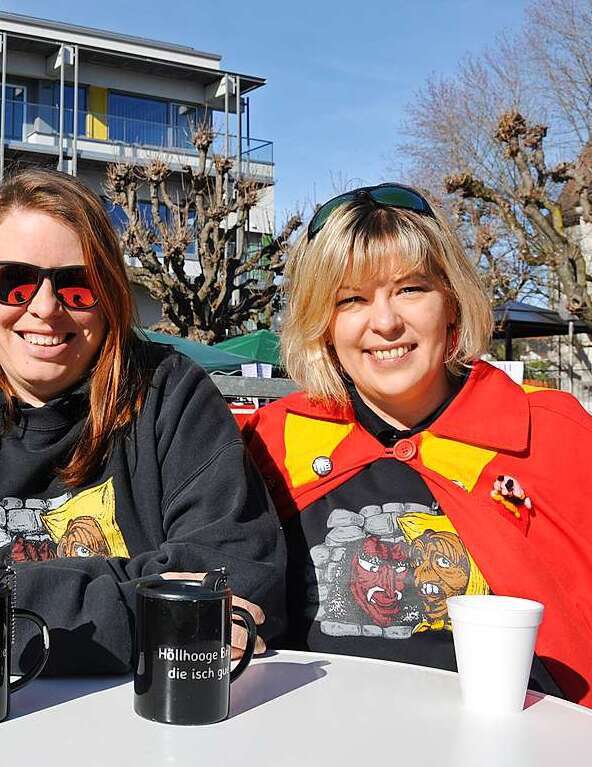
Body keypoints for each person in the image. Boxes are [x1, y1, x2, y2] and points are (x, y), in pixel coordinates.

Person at [0, 168, 285, 675]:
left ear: (108, 294)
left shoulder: (172, 396)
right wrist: (154, 612)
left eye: (77, 285)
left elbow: (242, 578)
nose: (45, 308)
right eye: (14, 281)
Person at [243, 183, 592, 707]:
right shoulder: (270, 441)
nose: (385, 322)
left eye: (410, 289)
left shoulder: (551, 433)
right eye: (351, 299)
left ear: (451, 303)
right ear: (324, 325)